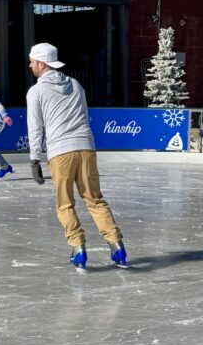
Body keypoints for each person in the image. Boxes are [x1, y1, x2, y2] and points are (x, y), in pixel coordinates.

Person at [26, 43, 127, 270]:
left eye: (32, 61)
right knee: (95, 199)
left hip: (60, 151)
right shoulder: (75, 84)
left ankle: (78, 249)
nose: (30, 65)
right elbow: (84, 115)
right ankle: (117, 246)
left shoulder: (36, 91)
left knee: (65, 204)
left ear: (42, 64)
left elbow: (35, 128)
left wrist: (34, 159)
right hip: (86, 148)